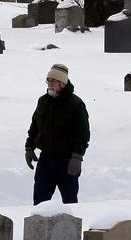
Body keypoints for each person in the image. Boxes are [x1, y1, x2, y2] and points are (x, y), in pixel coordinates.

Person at [25, 64, 90, 204]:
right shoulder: (43, 101)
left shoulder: (76, 105)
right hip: (45, 161)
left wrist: (77, 157)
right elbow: (35, 126)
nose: (50, 84)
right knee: (39, 204)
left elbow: (83, 134)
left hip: (67, 162)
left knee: (70, 202)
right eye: (48, 80)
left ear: (62, 83)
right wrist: (29, 147)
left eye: (53, 81)